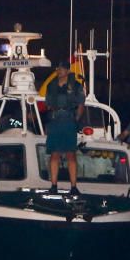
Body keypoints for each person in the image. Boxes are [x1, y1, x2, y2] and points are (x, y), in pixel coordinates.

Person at [44, 60, 85, 196]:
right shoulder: (51, 85)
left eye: (61, 69)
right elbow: (48, 103)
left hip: (69, 120)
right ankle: (54, 185)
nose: (59, 71)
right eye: (58, 69)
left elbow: (80, 104)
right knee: (54, 154)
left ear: (68, 71)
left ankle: (73, 186)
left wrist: (76, 119)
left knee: (70, 154)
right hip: (55, 121)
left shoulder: (76, 86)